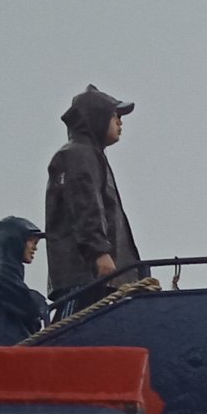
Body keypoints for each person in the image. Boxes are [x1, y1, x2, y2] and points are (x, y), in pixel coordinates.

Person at [44, 85, 139, 300]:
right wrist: (100, 253)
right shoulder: (79, 155)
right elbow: (84, 206)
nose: (120, 122)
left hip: (97, 278)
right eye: (115, 115)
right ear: (97, 117)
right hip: (88, 277)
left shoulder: (89, 155)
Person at [0, 216, 51, 347]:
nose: (35, 248)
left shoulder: (4, 270)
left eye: (36, 243)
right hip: (0, 347)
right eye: (31, 241)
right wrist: (39, 302)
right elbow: (27, 303)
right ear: (15, 241)